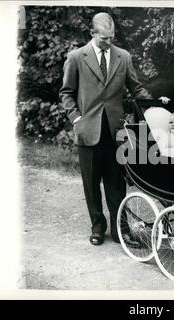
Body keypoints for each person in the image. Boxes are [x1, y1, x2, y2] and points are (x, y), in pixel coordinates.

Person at [60, 12, 162, 246]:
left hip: (116, 133)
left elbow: (136, 88)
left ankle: (121, 230)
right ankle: (97, 227)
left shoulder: (123, 57)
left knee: (116, 185)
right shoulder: (76, 57)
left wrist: (155, 108)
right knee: (91, 184)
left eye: (112, 37)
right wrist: (76, 118)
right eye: (104, 38)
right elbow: (66, 93)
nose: (109, 42)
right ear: (92, 34)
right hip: (88, 131)